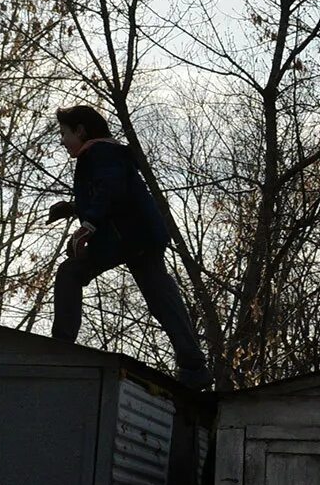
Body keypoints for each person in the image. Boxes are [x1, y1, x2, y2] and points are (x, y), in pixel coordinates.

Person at [47, 104, 212, 388]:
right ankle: (194, 367)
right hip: (136, 236)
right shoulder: (107, 154)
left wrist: (88, 225)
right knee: (160, 296)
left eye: (64, 133)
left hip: (128, 238)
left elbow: (110, 189)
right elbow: (110, 193)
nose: (62, 140)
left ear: (80, 131)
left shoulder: (100, 153)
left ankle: (62, 347)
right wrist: (74, 208)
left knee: (71, 272)